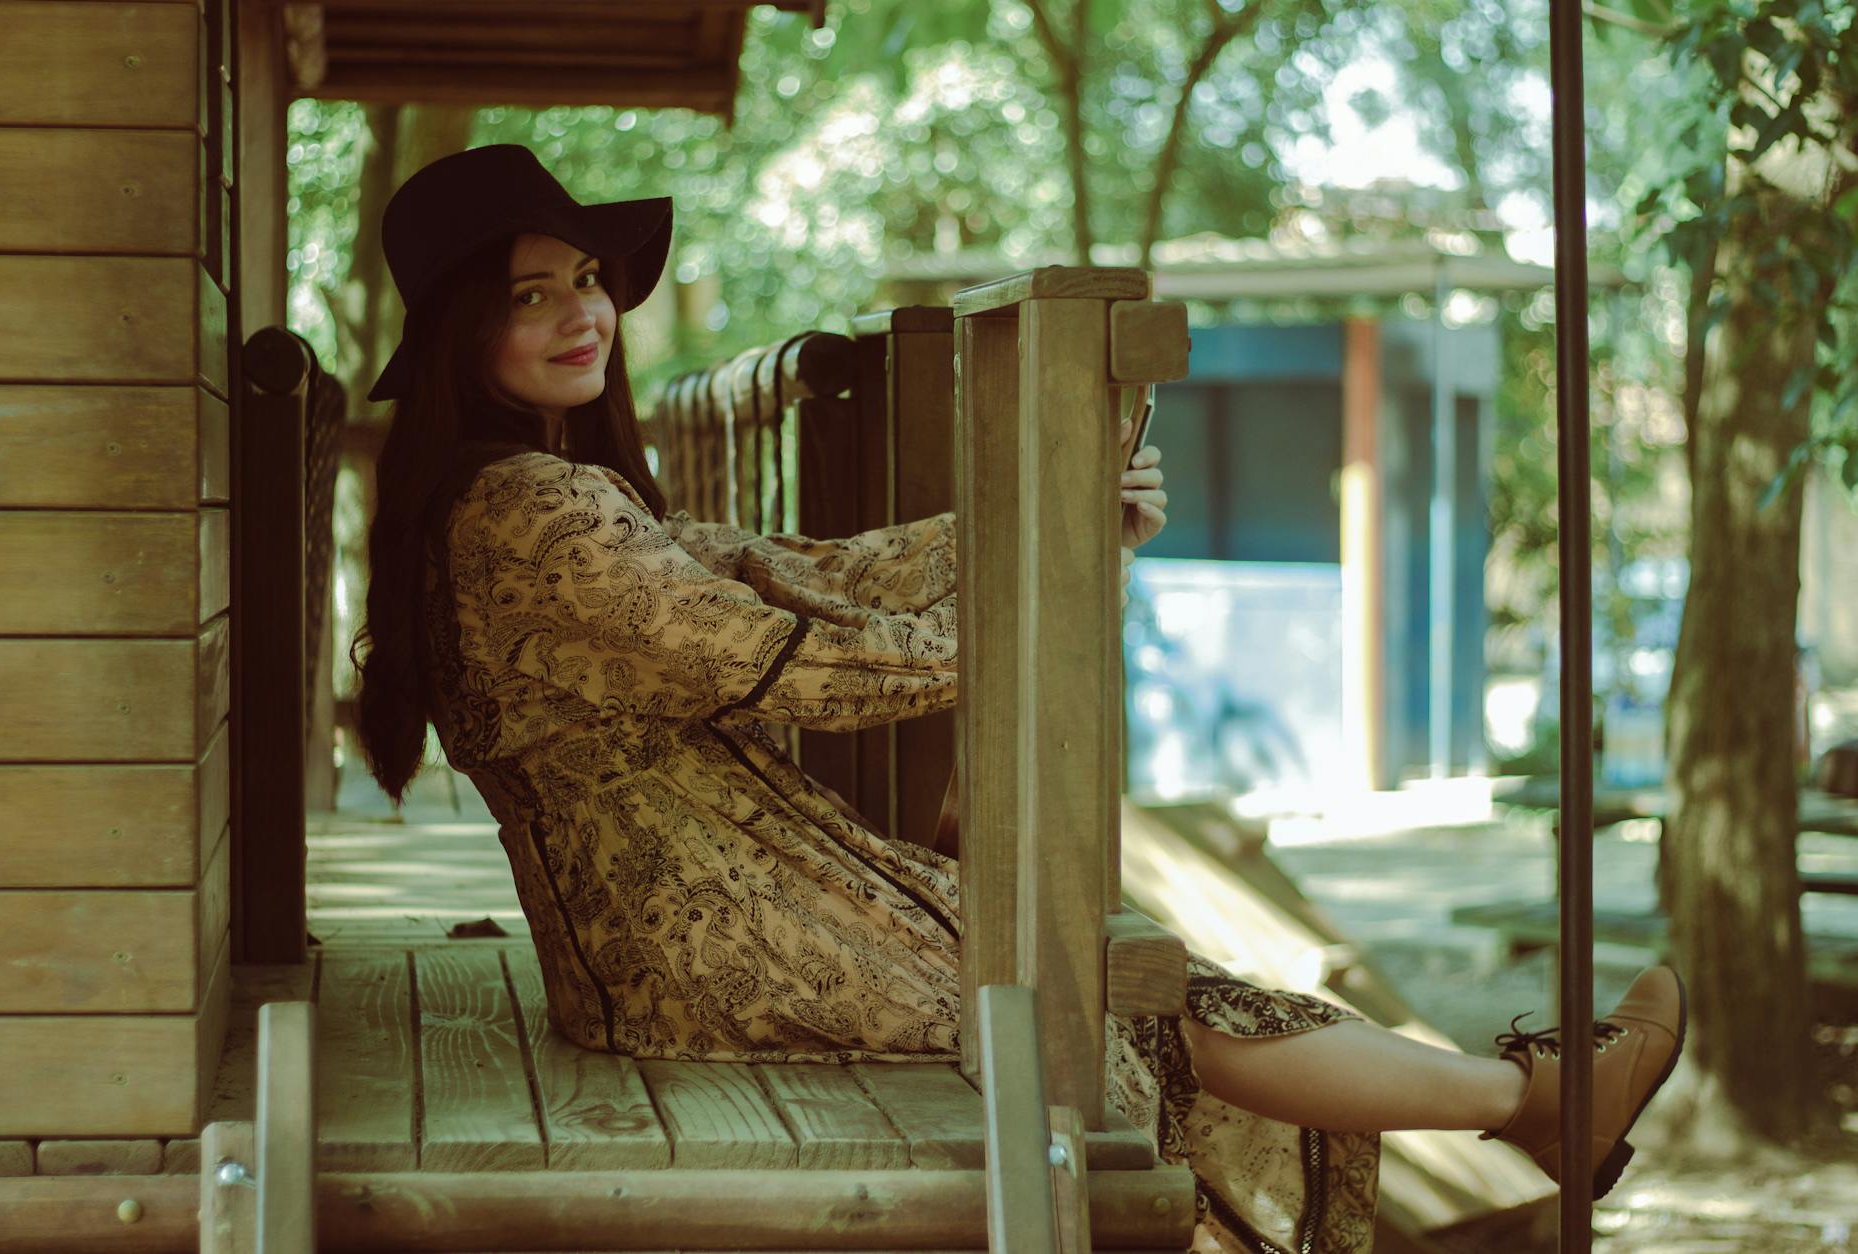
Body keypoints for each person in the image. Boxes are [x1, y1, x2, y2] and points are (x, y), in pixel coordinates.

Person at [349, 144, 1686, 1254]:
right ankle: (1527, 1104)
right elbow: (793, 657)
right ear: (466, 324)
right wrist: (1033, 602)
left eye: (588, 278)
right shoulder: (526, 512)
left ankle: (1525, 1111)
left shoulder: (537, 496)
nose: (584, 311)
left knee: (1149, 984)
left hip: (705, 920)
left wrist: (1060, 520)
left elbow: (798, 570)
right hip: (700, 949)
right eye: (535, 294)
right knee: (1118, 1001)